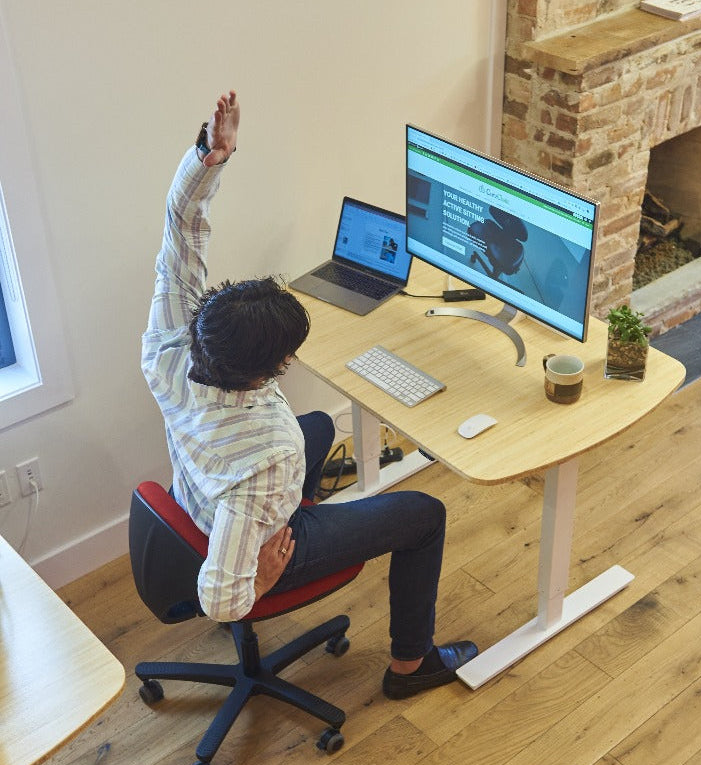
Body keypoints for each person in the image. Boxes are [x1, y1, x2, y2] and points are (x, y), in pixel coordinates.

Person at [141, 90, 477, 699]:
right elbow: (218, 598)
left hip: (199, 494)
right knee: (426, 514)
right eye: (287, 356)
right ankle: (411, 665)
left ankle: (291, 521)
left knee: (320, 420)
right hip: (250, 533)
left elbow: (180, 232)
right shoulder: (270, 454)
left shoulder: (170, 351)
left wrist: (211, 158)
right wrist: (262, 578)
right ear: (265, 372)